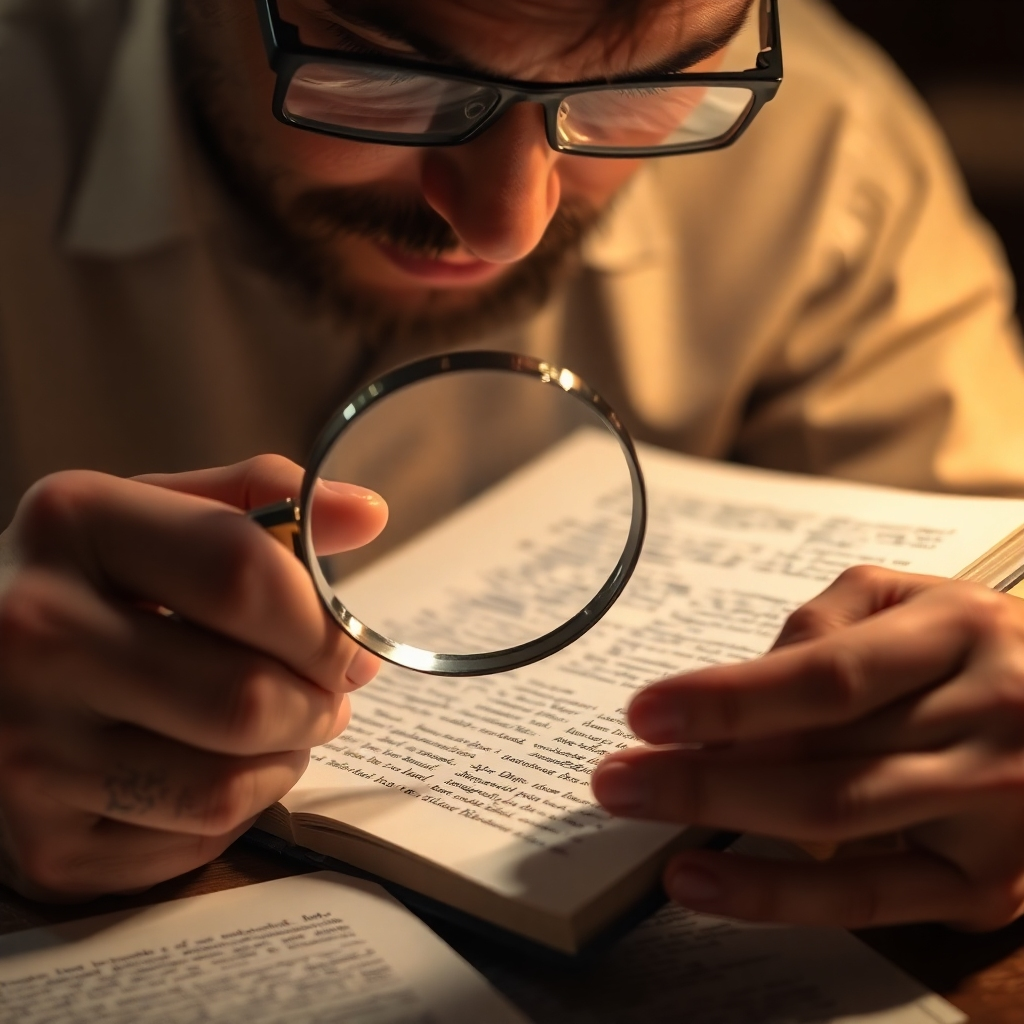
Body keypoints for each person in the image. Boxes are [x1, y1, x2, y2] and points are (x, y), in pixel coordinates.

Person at [2, 0, 1024, 931]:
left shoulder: (825, 154)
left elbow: (986, 579)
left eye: (637, 91)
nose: (505, 223)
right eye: (385, 73)